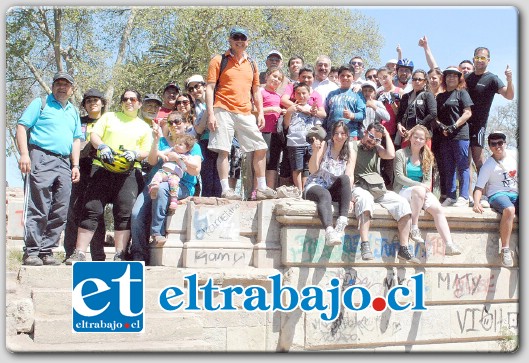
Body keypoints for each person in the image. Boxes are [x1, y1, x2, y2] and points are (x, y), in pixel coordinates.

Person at [66, 89, 152, 264]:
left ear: (139, 103)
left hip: (128, 173)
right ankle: (79, 252)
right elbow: (94, 135)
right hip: (101, 169)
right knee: (91, 209)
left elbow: (146, 151)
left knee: (124, 213)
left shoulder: (144, 126)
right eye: (125, 99)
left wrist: (136, 153)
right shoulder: (109, 117)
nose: (129, 102)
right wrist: (102, 146)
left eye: (133, 99)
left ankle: (120, 254)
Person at [16, 71, 81, 266]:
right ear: (52, 86)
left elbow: (76, 139)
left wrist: (75, 164)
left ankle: (47, 250)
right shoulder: (41, 103)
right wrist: (25, 154)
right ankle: (32, 251)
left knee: (61, 208)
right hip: (41, 156)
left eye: (66, 84)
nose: (62, 87)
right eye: (58, 83)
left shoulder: (73, 111)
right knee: (39, 206)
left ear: (71, 89)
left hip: (64, 162)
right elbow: (22, 126)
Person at [205, 26, 276, 200]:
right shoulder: (218, 60)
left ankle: (261, 187)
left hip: (245, 111)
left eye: (243, 38)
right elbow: (209, 87)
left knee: (260, 147)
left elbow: (256, 90)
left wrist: (260, 112)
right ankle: (225, 190)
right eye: (236, 37)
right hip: (222, 108)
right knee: (224, 150)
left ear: (247, 42)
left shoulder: (252, 63)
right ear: (229, 40)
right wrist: (211, 114)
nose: (239, 41)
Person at [129, 111, 202, 262]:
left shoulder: (192, 145)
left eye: (178, 122)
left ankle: (157, 233)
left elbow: (196, 169)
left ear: (185, 122)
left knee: (162, 189)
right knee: (136, 214)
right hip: (155, 182)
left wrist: (179, 158)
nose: (174, 125)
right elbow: (151, 161)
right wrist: (156, 140)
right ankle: (139, 253)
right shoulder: (162, 142)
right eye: (170, 122)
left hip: (182, 185)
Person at [351, 123, 419, 264]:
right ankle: (365, 244)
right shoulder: (353, 146)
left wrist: (386, 134)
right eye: (370, 136)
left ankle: (404, 248)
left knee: (403, 204)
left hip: (377, 188)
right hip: (359, 186)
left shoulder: (377, 148)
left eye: (376, 139)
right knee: (365, 200)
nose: (372, 141)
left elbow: (391, 154)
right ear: (365, 132)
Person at [393, 125, 462, 255]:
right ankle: (414, 227)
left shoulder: (427, 157)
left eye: (421, 138)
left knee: (438, 209)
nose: (418, 140)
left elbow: (427, 180)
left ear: (425, 141)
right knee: (419, 191)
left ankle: (449, 244)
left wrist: (422, 187)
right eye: (415, 137)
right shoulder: (400, 154)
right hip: (403, 190)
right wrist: (418, 185)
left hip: (421, 192)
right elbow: (399, 177)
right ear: (410, 137)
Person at [465, 47, 514, 206]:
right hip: (464, 124)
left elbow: (509, 96)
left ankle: (484, 194)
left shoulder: (492, 79)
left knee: (479, 159)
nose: (479, 61)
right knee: (465, 160)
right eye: (477, 58)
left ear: (488, 61)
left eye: (483, 58)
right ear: (473, 59)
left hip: (479, 124)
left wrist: (509, 80)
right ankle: (467, 195)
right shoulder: (466, 78)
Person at [63, 88, 107, 262]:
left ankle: (98, 256)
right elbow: (74, 144)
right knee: (73, 210)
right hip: (79, 168)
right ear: (84, 105)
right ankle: (71, 253)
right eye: (88, 101)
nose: (93, 103)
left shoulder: (108, 121)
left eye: (96, 100)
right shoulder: (78, 121)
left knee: (96, 212)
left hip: (102, 170)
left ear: (103, 103)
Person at [304, 121, 354, 246]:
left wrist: (349, 198)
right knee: (324, 194)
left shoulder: (350, 151)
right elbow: (313, 170)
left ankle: (342, 221)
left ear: (347, 135)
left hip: (332, 187)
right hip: (316, 184)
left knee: (345, 179)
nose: (339, 136)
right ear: (332, 135)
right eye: (336, 133)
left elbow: (349, 176)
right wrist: (315, 152)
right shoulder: (325, 145)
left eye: (342, 133)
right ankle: (329, 231)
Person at [472, 131, 518, 267]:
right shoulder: (488, 165)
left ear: (505, 143)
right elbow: (479, 187)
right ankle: (505, 250)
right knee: (509, 210)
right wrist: (476, 203)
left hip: (516, 193)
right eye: (493, 144)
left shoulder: (515, 155)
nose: (497, 146)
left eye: (500, 143)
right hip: (498, 194)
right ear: (489, 146)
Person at [435, 67, 473, 207]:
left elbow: (467, 113)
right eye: (448, 75)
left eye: (454, 76)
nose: (451, 78)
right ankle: (451, 196)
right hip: (445, 136)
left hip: (460, 135)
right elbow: (435, 116)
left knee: (462, 166)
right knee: (448, 166)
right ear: (444, 79)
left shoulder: (462, 93)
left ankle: (464, 196)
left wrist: (454, 126)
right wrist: (441, 126)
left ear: (459, 78)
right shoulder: (440, 96)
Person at [283, 83, 322, 191]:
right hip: (294, 142)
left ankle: (305, 190)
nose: (301, 96)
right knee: (297, 168)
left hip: (309, 142)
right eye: (298, 93)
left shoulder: (313, 109)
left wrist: (315, 139)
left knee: (307, 167)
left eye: (304, 93)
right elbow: (286, 125)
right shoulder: (292, 108)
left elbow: (316, 126)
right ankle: (299, 190)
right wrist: (288, 113)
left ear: (309, 94)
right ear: (294, 95)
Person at [149, 133, 196, 211]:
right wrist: (163, 156)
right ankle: (154, 187)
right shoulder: (171, 150)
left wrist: (183, 160)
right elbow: (159, 152)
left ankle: (173, 201)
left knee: (174, 185)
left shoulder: (186, 156)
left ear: (187, 148)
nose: (177, 145)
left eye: (180, 144)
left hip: (175, 175)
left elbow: (194, 165)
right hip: (164, 171)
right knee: (157, 176)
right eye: (176, 143)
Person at [395, 69, 437, 149]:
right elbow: (400, 114)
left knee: (421, 160)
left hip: (422, 135)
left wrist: (417, 127)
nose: (417, 81)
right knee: (406, 159)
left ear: (425, 82)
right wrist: (399, 125)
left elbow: (433, 114)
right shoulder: (405, 97)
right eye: (414, 79)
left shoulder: (428, 95)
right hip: (407, 135)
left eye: (420, 79)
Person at [323, 64, 366, 140]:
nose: (345, 78)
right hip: (332, 134)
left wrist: (351, 115)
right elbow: (326, 114)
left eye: (348, 76)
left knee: (350, 152)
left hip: (351, 134)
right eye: (342, 75)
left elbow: (362, 114)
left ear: (353, 78)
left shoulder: (358, 94)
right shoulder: (331, 94)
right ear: (339, 77)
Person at [260, 66, 286, 188]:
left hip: (275, 134)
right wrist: (271, 109)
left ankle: (269, 190)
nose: (276, 80)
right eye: (274, 76)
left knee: (273, 163)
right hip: (261, 131)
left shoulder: (278, 97)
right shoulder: (260, 91)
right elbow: (251, 109)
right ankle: (257, 190)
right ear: (267, 76)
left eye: (279, 78)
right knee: (261, 162)